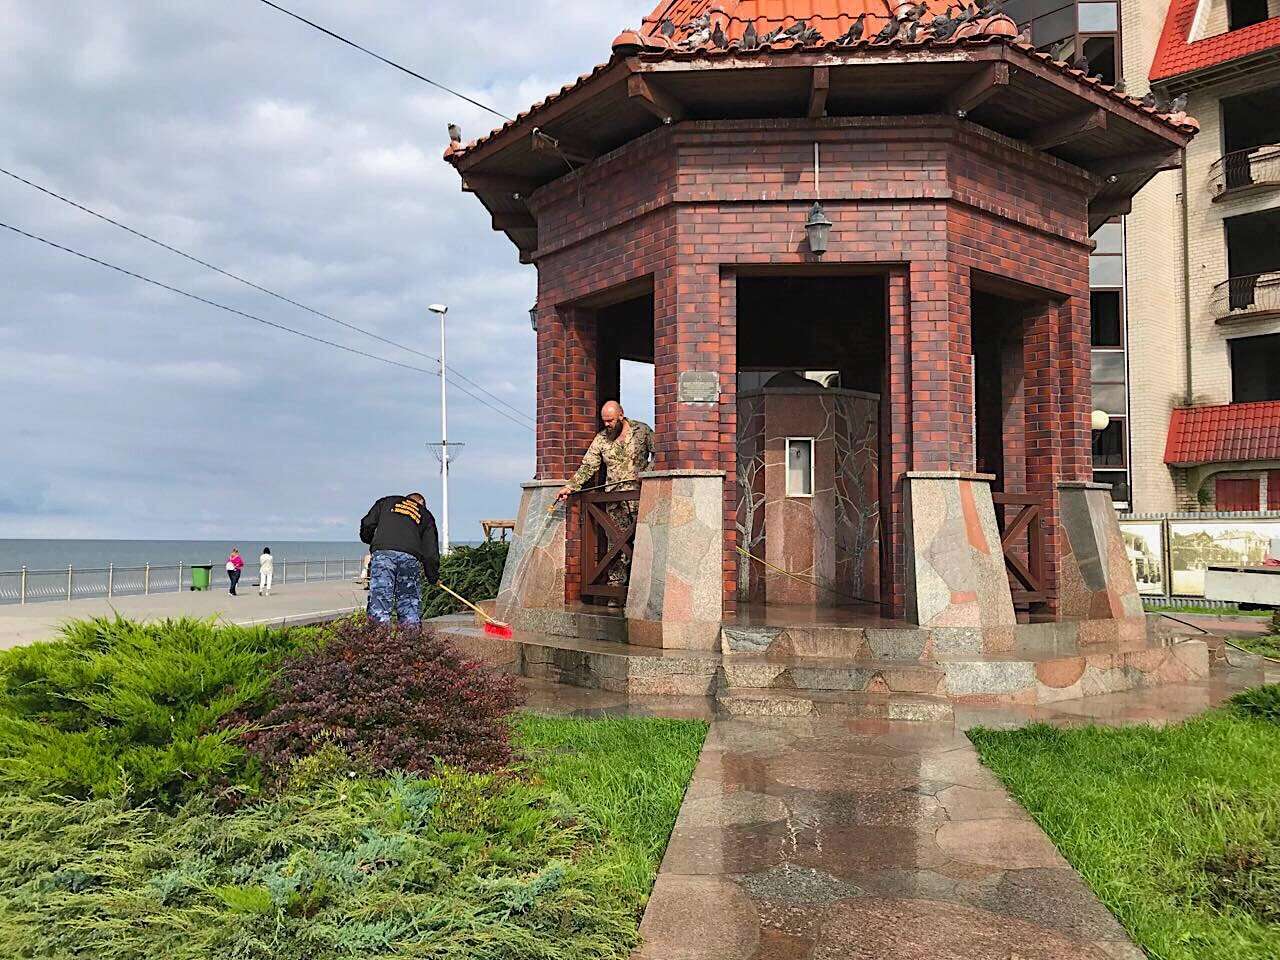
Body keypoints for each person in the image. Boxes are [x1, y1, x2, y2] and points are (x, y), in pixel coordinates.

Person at [556, 400, 655, 604]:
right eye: (605, 421)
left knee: (645, 541)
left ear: (621, 415)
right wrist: (570, 487)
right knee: (617, 544)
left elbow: (661, 453)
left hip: (642, 497)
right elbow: (587, 467)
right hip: (615, 501)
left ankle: (644, 589)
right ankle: (616, 591)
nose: (608, 424)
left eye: (610, 420)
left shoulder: (642, 430)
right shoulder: (601, 439)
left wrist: (648, 472)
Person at [359, 492, 440, 625]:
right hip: (410, 556)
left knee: (380, 600)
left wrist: (369, 539)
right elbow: (430, 551)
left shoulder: (386, 501)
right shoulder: (425, 514)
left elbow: (367, 524)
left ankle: (379, 641)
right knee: (409, 603)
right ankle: (410, 641)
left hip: (384, 553)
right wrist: (433, 576)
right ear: (420, 501)